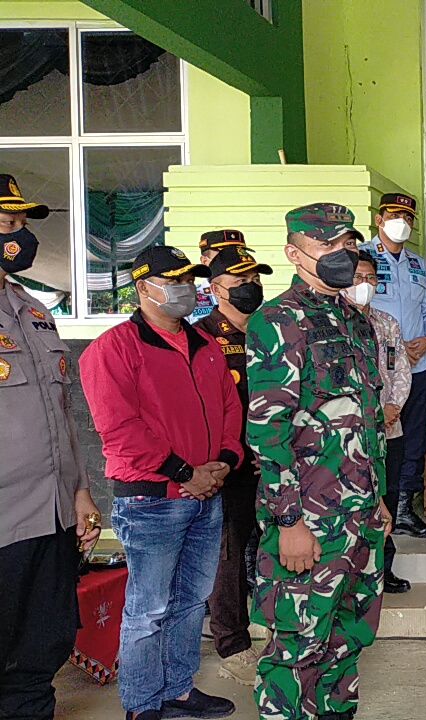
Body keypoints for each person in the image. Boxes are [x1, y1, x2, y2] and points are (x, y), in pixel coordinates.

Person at [81, 245, 243, 720]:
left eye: (189, 281)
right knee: (148, 609)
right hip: (152, 501)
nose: (185, 290)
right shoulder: (113, 348)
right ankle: (142, 703)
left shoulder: (205, 344)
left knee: (191, 601)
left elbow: (230, 407)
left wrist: (224, 461)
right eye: (173, 281)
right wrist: (186, 473)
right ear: (143, 288)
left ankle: (177, 689)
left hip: (207, 494)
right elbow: (119, 427)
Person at [246, 204, 392, 720]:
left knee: (350, 633)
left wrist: (378, 497)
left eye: (347, 244)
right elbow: (268, 431)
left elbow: (368, 419)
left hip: (360, 512)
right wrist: (288, 522)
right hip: (310, 515)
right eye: (327, 246)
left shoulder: (355, 319)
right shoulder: (278, 321)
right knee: (298, 643)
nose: (342, 255)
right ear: (294, 253)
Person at [0, 175, 101, 720]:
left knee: (43, 643)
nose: (19, 236)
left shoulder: (34, 309)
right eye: (7, 223)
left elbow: (59, 416)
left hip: (51, 515)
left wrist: (80, 491)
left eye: (21, 224)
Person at [194, 246, 273, 685]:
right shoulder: (202, 337)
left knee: (274, 549)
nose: (251, 287)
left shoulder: (269, 330)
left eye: (255, 279)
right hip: (229, 466)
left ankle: (281, 633)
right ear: (216, 289)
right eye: (240, 281)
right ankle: (233, 645)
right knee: (227, 557)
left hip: (272, 462)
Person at [360, 193, 426, 539]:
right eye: (395, 215)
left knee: (413, 440)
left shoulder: (418, 264)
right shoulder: (361, 259)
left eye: (408, 218)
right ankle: (375, 508)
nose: (402, 223)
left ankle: (404, 510)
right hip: (380, 370)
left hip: (418, 365)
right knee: (379, 438)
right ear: (379, 219)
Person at [345, 250, 413, 592]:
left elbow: (401, 369)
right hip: (351, 432)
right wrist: (371, 413)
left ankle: (384, 568)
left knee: (389, 493)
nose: (365, 283)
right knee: (357, 497)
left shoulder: (387, 323)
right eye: (358, 277)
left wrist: (392, 406)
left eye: (370, 277)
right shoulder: (335, 324)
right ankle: (355, 570)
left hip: (390, 427)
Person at [188, 229, 252, 323]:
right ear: (205, 261)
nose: (236, 261)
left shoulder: (252, 294)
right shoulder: (189, 299)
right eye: (225, 256)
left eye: (240, 253)